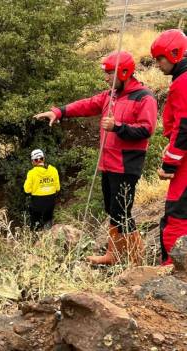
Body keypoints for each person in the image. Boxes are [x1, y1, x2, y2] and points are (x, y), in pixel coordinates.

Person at [34, 51, 157, 266]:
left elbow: (147, 129)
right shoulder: (110, 95)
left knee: (121, 212)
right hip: (108, 164)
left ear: (125, 72)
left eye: (110, 73)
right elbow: (87, 104)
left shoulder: (144, 97)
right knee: (113, 210)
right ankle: (115, 255)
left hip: (126, 165)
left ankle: (136, 259)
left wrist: (118, 127)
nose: (107, 78)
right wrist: (59, 112)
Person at [151, 29, 187, 265]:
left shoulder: (182, 83)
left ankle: (171, 272)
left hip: (184, 165)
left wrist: (169, 163)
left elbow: (184, 127)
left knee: (176, 217)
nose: (157, 64)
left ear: (174, 54)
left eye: (160, 59)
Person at [23, 149, 60, 231]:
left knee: (35, 223)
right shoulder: (53, 170)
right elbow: (57, 188)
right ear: (43, 158)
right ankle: (49, 238)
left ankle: (36, 240)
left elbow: (27, 190)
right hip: (51, 200)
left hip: (37, 202)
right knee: (48, 220)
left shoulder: (31, 173)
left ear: (33, 161)